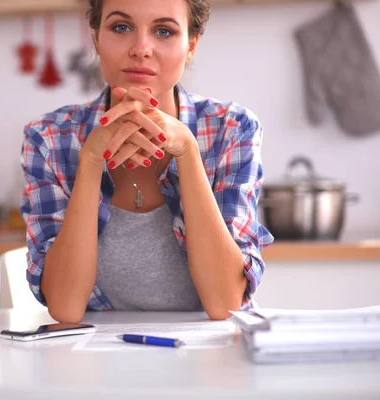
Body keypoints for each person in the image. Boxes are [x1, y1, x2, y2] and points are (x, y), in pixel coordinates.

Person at [20, 0, 274, 323]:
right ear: (96, 38)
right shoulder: (49, 138)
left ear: (191, 45)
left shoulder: (233, 130)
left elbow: (226, 304)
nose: (141, 49)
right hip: (93, 363)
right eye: (121, 27)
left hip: (209, 362)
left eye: (164, 31)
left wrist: (186, 150)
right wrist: (91, 160)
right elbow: (65, 307)